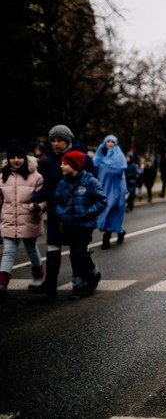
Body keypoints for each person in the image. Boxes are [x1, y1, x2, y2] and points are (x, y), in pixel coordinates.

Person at [29, 124, 97, 298]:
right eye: (53, 140)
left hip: (76, 212)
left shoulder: (82, 159)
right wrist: (35, 199)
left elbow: (93, 183)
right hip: (55, 211)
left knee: (77, 251)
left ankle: (84, 281)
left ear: (68, 141)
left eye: (60, 140)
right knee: (52, 246)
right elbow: (48, 185)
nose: (56, 144)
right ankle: (50, 286)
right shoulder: (50, 161)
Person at [55, 151, 107, 299]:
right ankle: (78, 286)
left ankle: (93, 274)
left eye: (65, 163)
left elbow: (102, 201)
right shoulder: (63, 183)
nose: (61, 166)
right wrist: (62, 214)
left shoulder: (90, 181)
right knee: (74, 255)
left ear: (74, 165)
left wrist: (86, 212)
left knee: (79, 252)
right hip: (69, 225)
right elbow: (57, 201)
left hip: (85, 225)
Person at [0, 142, 46, 299]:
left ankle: (39, 277)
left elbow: (43, 198)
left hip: (29, 218)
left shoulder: (36, 177)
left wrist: (38, 207)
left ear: (25, 158)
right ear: (8, 159)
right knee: (8, 252)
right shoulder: (2, 177)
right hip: (8, 219)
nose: (16, 160)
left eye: (19, 157)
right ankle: (2, 284)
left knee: (31, 249)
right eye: (12, 157)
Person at [93, 134, 127, 249]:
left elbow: (119, 171)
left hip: (115, 189)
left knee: (110, 211)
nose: (110, 143)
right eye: (108, 141)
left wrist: (108, 164)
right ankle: (120, 231)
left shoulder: (119, 156)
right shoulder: (100, 154)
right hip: (103, 189)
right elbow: (94, 169)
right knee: (103, 212)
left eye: (113, 142)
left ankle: (106, 239)